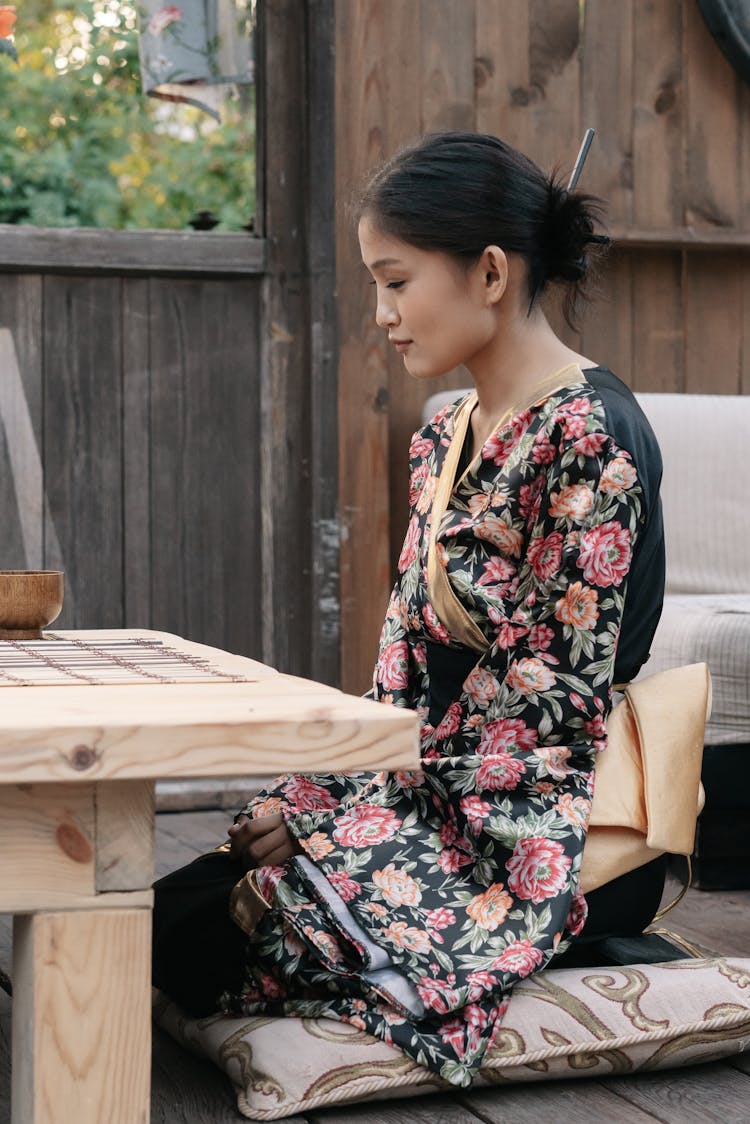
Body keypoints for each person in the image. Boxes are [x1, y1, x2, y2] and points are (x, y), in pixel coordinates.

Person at [153, 132, 667, 1087]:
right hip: (429, 798)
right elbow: (401, 667)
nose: (382, 314)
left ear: (489, 272)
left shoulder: (592, 433)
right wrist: (314, 797)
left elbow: (546, 711)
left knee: (208, 946)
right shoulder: (449, 434)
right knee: (171, 910)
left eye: (396, 281)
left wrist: (334, 824)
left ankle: (584, 945)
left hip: (545, 817)